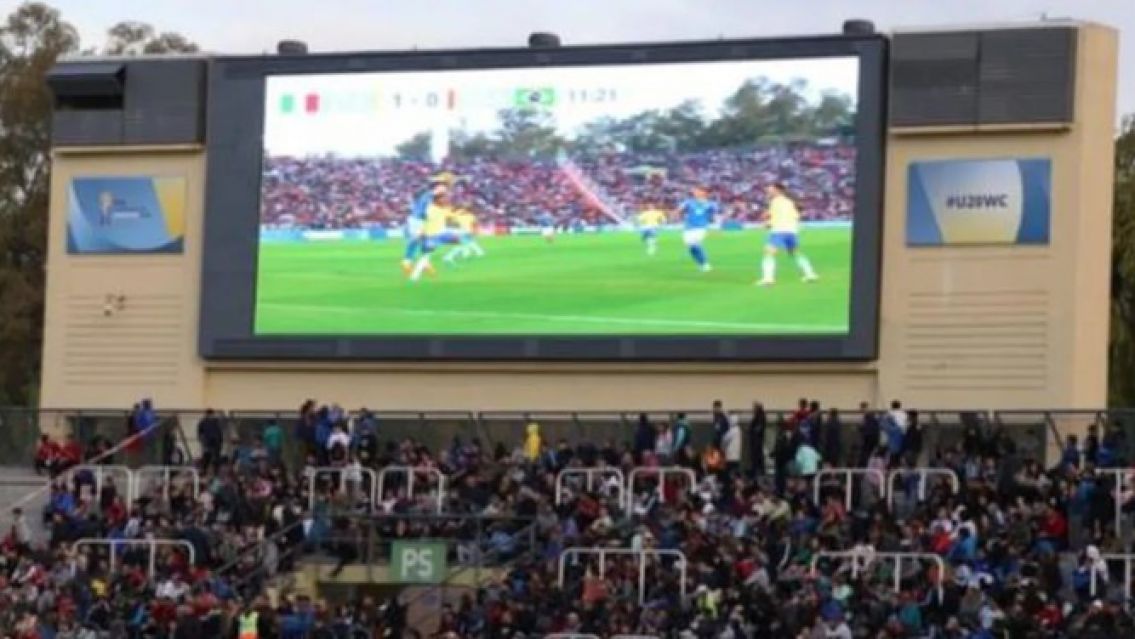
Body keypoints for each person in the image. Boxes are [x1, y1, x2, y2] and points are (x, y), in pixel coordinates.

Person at [757, 182, 818, 286]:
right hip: (792, 231)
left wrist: (766, 222)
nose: (768, 192)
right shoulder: (789, 202)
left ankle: (768, 279)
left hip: (779, 230)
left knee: (769, 252)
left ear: (777, 190)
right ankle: (810, 274)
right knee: (795, 252)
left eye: (770, 190)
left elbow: (772, 215)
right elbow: (795, 216)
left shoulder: (776, 202)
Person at [402, 173, 453, 274]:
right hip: (418, 219)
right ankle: (407, 261)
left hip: (422, 219)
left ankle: (424, 262)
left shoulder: (429, 194)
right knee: (417, 239)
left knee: (425, 239)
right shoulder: (435, 192)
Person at [409, 188, 457, 281]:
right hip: (431, 236)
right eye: (443, 198)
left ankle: (448, 257)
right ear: (437, 199)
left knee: (462, 241)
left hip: (442, 234)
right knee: (426, 256)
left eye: (445, 198)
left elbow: (451, 217)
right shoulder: (429, 209)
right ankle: (415, 276)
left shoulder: (444, 208)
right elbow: (422, 220)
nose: (445, 200)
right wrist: (420, 233)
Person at [675, 186, 721, 272]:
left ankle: (705, 264)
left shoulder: (711, 204)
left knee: (695, 244)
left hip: (701, 227)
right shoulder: (688, 202)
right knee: (691, 246)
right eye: (695, 191)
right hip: (688, 227)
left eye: (697, 191)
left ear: (704, 193)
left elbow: (716, 215)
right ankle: (701, 264)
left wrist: (717, 227)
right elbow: (679, 210)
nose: (695, 192)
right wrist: (678, 216)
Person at [748, 402, 767, 478]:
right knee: (756, 458)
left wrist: (752, 430)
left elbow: (758, 429)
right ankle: (757, 471)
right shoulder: (758, 417)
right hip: (755, 441)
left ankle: (758, 473)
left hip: (757, 441)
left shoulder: (760, 417)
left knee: (757, 457)